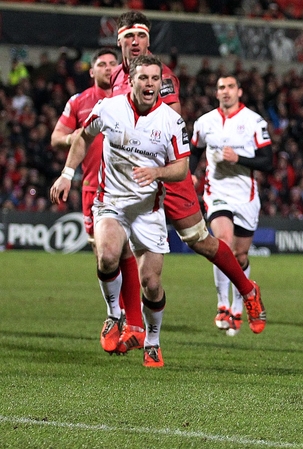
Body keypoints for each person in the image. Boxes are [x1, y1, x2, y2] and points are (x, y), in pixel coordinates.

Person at [111, 11, 266, 334]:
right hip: (130, 178)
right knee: (117, 246)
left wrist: (164, 169)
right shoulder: (115, 78)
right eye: (129, 36)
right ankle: (129, 324)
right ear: (119, 41)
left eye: (140, 36)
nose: (135, 42)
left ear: (149, 41)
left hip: (164, 172)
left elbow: (173, 120)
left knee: (201, 241)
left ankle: (248, 290)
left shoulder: (159, 76)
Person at [50, 55, 189, 367]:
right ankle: (114, 313)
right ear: (133, 80)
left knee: (151, 284)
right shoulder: (109, 108)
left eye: (155, 79)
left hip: (148, 210)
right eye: (143, 78)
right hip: (111, 200)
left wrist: (158, 174)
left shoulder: (171, 121)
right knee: (108, 254)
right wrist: (66, 174)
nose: (150, 84)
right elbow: (83, 136)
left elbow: (181, 169)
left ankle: (152, 341)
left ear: (160, 83)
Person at [50, 48, 148, 354]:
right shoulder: (80, 102)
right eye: (101, 65)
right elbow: (56, 138)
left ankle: (128, 321)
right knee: (105, 256)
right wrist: (77, 136)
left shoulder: (128, 98)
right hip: (94, 187)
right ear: (92, 71)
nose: (107, 68)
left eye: (111, 64)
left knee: (123, 251)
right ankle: (120, 316)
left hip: (130, 189)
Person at [191, 75, 273, 336]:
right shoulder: (205, 122)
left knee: (239, 256)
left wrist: (240, 158)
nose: (225, 92)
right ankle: (222, 304)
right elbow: (194, 150)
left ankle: (240, 304)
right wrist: (191, 173)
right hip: (217, 193)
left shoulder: (254, 121)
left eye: (230, 87)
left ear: (239, 91)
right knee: (222, 243)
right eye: (220, 88)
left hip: (246, 197)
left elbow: (267, 162)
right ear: (216, 93)